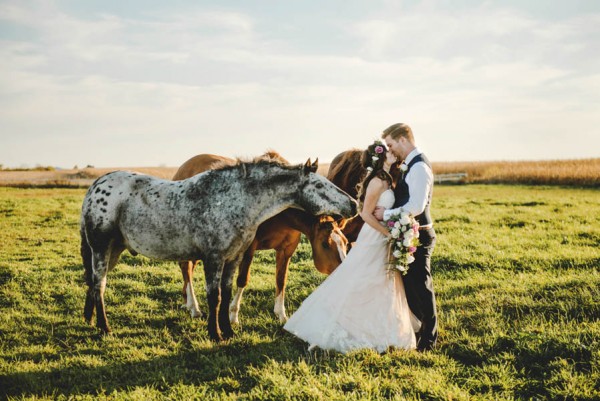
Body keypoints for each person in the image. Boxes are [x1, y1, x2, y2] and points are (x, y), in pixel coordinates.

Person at [283, 141, 418, 353]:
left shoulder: (386, 179)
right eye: (389, 154)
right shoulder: (376, 182)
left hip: (381, 237)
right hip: (375, 236)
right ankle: (350, 322)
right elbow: (365, 214)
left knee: (380, 280)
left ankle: (382, 325)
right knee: (364, 278)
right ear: (381, 159)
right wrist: (388, 233)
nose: (393, 155)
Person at [374, 123, 438, 352]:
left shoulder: (419, 167)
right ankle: (419, 329)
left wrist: (387, 214)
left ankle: (429, 340)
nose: (391, 149)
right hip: (408, 234)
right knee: (411, 286)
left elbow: (416, 206)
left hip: (419, 235)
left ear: (403, 140)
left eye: (391, 144)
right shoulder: (409, 165)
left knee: (421, 285)